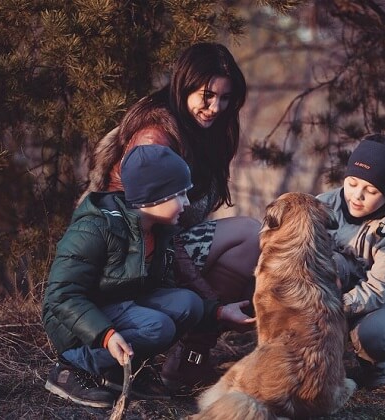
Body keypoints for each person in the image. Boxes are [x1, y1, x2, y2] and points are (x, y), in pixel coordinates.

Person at [79, 42, 261, 388]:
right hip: (129, 257)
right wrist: (212, 304)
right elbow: (152, 233)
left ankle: (190, 359)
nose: (215, 108)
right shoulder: (155, 137)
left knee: (253, 238)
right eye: (207, 95)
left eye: (224, 99)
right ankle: (188, 352)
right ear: (184, 85)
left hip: (163, 245)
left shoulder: (206, 130)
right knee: (249, 235)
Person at [43, 145, 255, 408]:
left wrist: (218, 312)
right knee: (158, 326)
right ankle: (70, 368)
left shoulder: (158, 230)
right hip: (75, 326)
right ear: (153, 197)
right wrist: (106, 335)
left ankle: (119, 372)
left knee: (189, 304)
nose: (187, 203)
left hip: (118, 308)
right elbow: (61, 295)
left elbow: (167, 288)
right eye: (179, 195)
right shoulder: (95, 228)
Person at [316, 133, 385, 389]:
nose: (357, 196)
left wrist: (333, 308)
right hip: (329, 292)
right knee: (332, 263)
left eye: (371, 190)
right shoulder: (322, 205)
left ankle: (375, 369)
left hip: (380, 301)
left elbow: (378, 289)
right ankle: (314, 362)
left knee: (376, 335)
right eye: (352, 183)